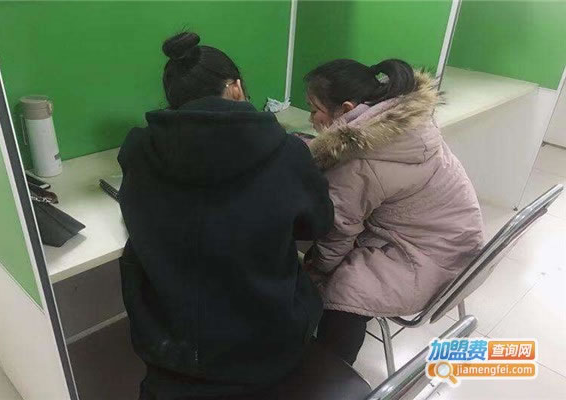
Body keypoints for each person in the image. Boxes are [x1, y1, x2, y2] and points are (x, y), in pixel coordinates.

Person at [117, 32, 334, 399]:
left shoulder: (138, 148)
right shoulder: (287, 152)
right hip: (268, 346)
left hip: (171, 347)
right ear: (235, 88)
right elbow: (317, 224)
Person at [303, 59, 485, 365]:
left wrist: (316, 268)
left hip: (428, 261)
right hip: (460, 240)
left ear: (347, 109)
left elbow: (338, 230)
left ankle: (331, 371)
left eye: (314, 109)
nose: (311, 118)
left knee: (344, 290)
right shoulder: (406, 123)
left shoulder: (359, 161)